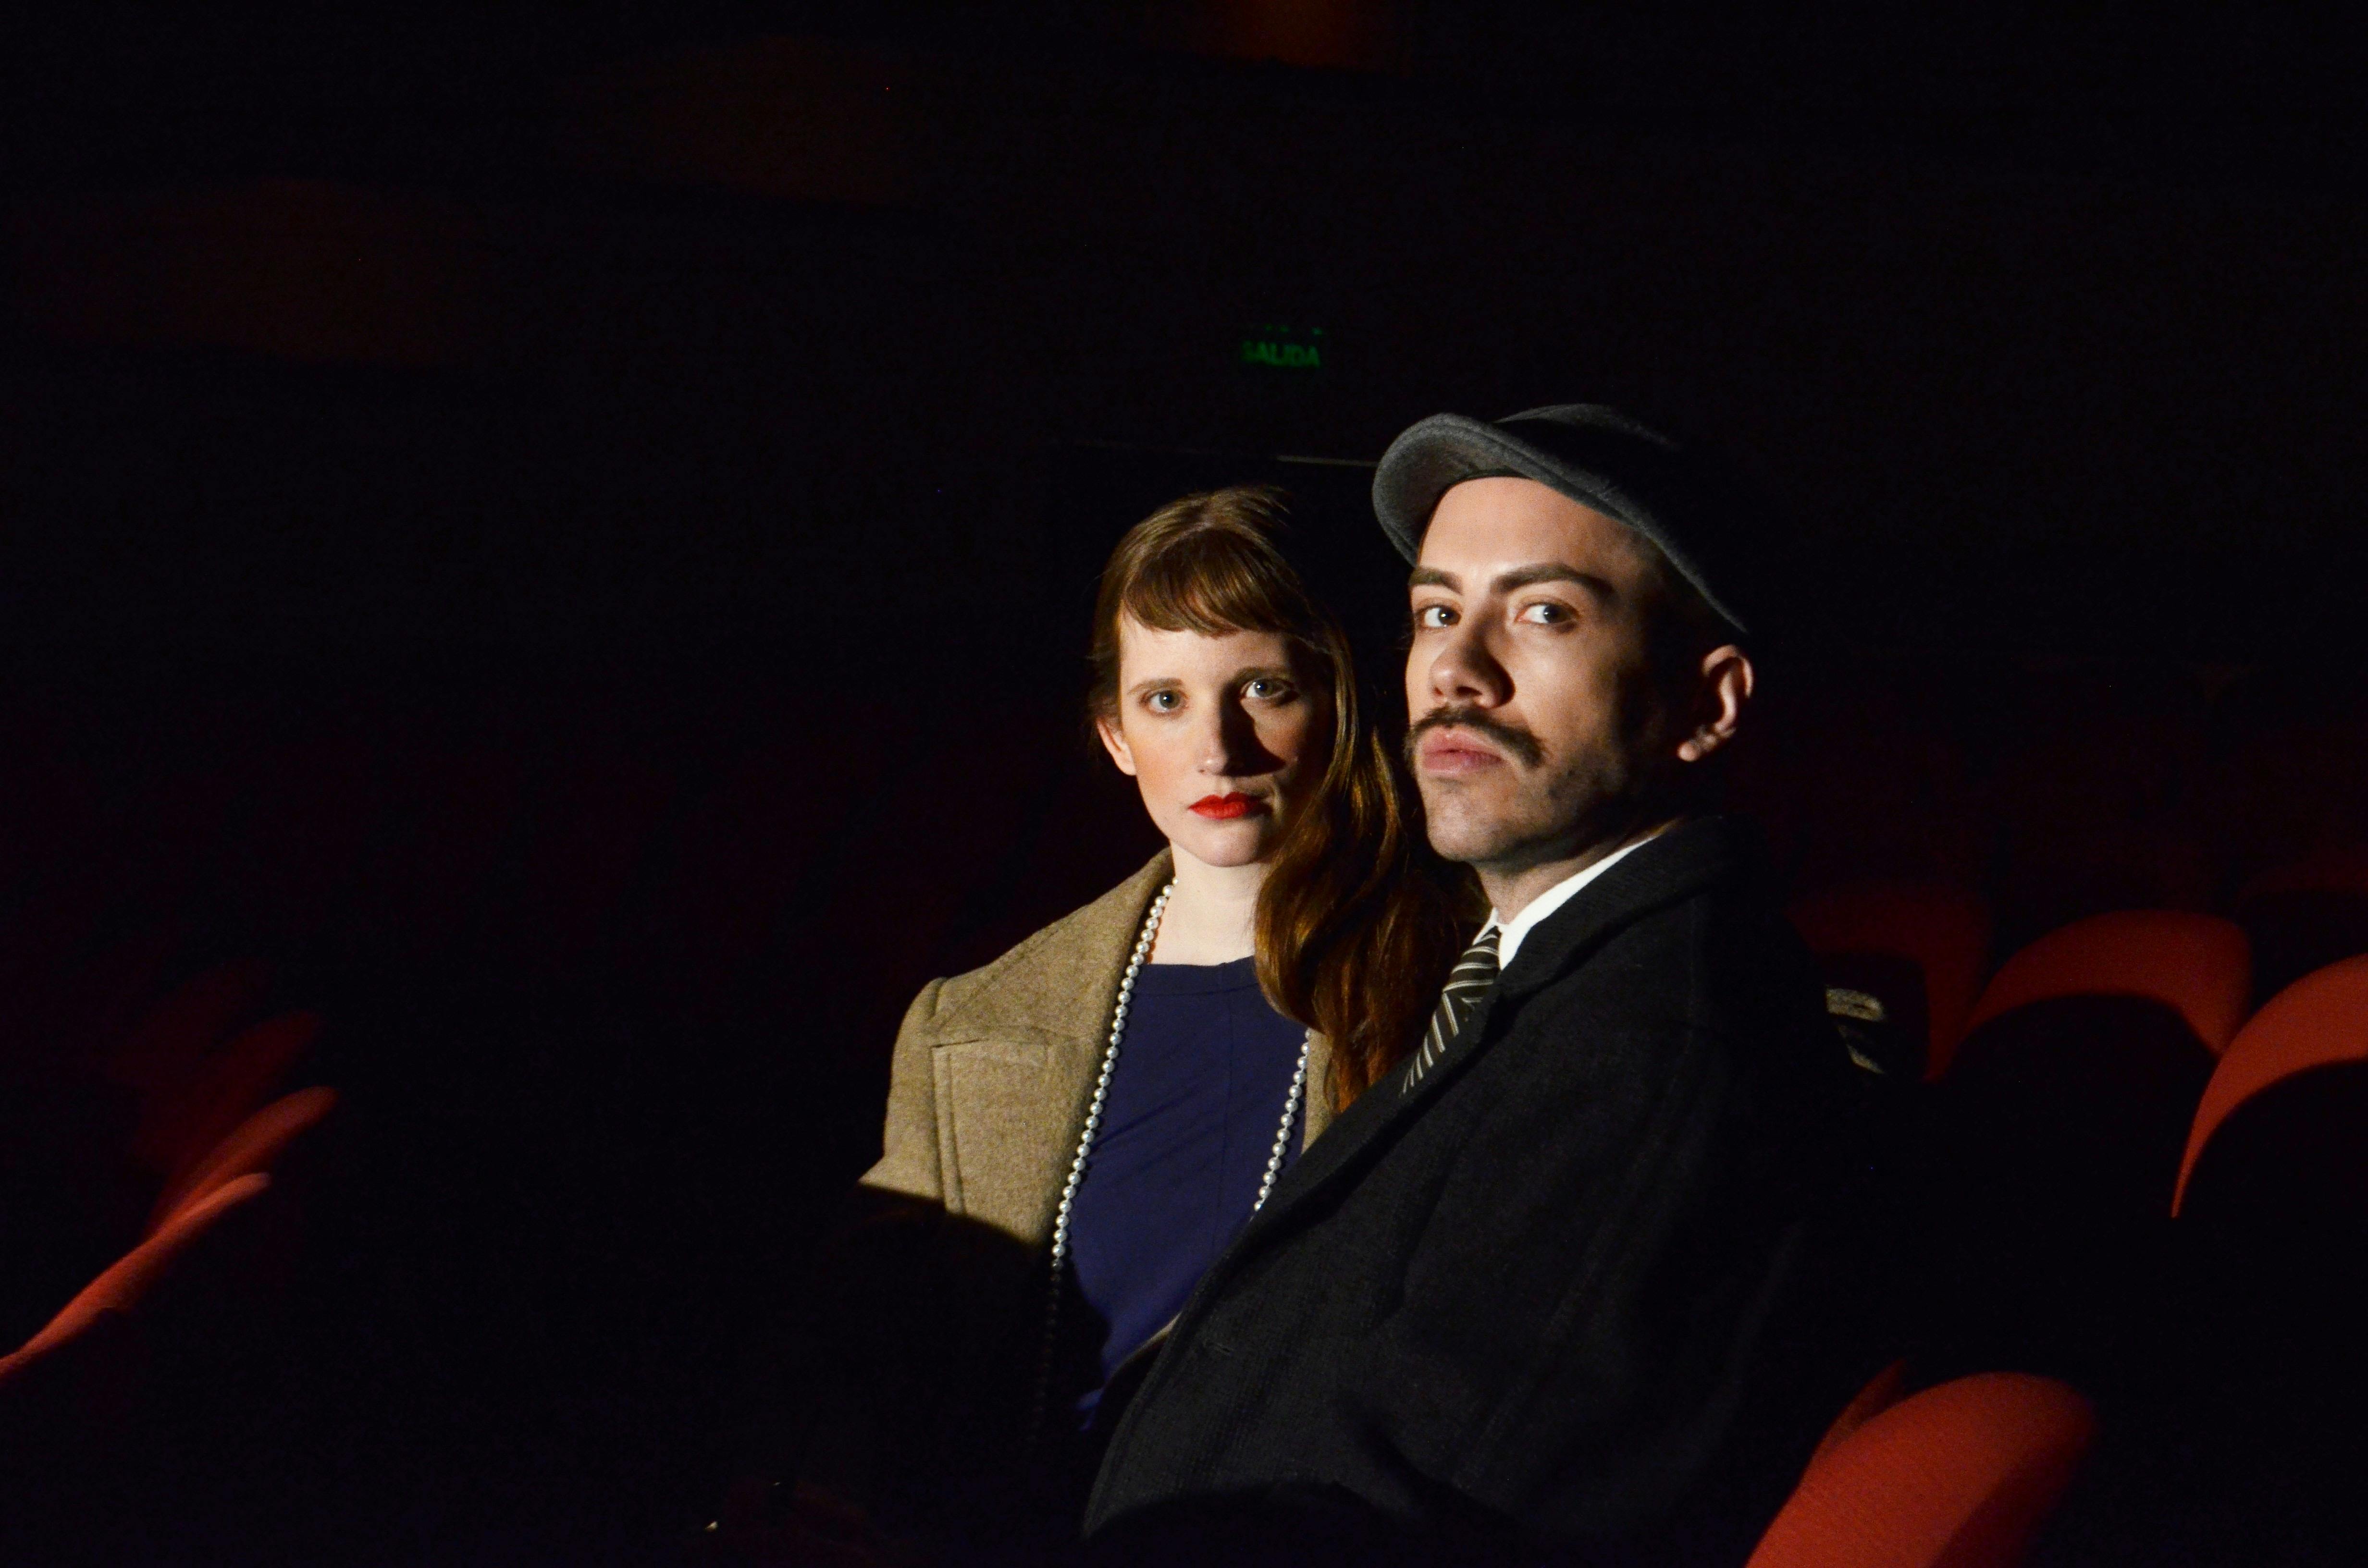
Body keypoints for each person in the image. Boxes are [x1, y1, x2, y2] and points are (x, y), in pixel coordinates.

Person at [1083, 406, 1885, 1565]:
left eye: (1544, 613)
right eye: (1437, 613)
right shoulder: (1543, 977)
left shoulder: (1651, 1053)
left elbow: (1402, 1522)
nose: (1455, 671)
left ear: (1706, 706)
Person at [718, 487, 1468, 1559]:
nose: (1216, 747)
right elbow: (849, 1339)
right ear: (1115, 734)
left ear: (1337, 704)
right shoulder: (972, 1023)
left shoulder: (1467, 982)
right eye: (1165, 700)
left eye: (1262, 688)